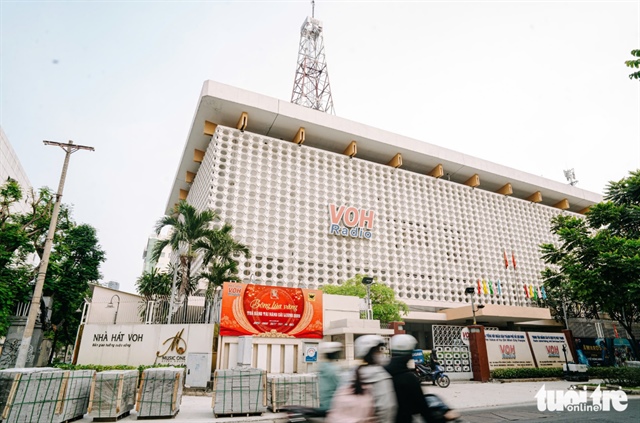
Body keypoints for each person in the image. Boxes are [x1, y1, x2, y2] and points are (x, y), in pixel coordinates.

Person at [385, 335, 460, 423]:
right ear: (410, 354)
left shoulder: (383, 372)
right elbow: (424, 410)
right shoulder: (409, 379)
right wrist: (444, 417)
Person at [351, 335, 397, 423]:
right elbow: (387, 408)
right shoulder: (381, 376)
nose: (381, 354)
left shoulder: (351, 374)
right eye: (378, 351)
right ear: (371, 353)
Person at [318, 341, 343, 414]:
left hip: (324, 402)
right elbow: (340, 386)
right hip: (332, 405)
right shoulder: (333, 369)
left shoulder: (323, 366)